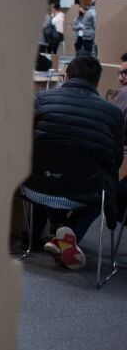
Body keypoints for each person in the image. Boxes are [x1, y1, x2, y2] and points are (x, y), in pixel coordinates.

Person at [27, 56, 123, 270]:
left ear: (66, 75)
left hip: (36, 186)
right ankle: (67, 234)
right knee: (99, 194)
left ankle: (58, 232)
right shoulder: (113, 114)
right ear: (97, 82)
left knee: (52, 174)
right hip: (84, 190)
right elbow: (114, 161)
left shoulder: (41, 100)